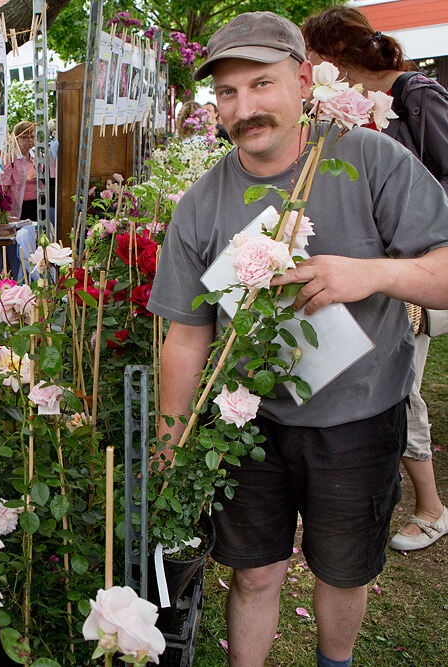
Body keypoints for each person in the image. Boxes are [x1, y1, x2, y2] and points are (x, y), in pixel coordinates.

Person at [148, 12, 448, 667]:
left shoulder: (370, 160)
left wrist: (368, 273)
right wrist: (170, 439)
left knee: (342, 571)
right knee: (253, 571)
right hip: (249, 422)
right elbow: (185, 334)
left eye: (261, 84)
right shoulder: (202, 202)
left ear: (304, 78)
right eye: (227, 93)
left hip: (358, 416)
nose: (245, 107)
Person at [303, 6, 448, 552]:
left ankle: (430, 507)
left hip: (408, 268)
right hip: (368, 272)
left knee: (399, 383)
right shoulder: (348, 109)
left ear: (333, 54)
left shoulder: (416, 95)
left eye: (312, 56)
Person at [0, 120, 38, 220]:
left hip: (37, 205)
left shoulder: (37, 156)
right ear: (16, 138)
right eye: (25, 137)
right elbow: (3, 189)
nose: (30, 140)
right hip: (17, 208)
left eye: (32, 136)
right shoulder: (9, 158)